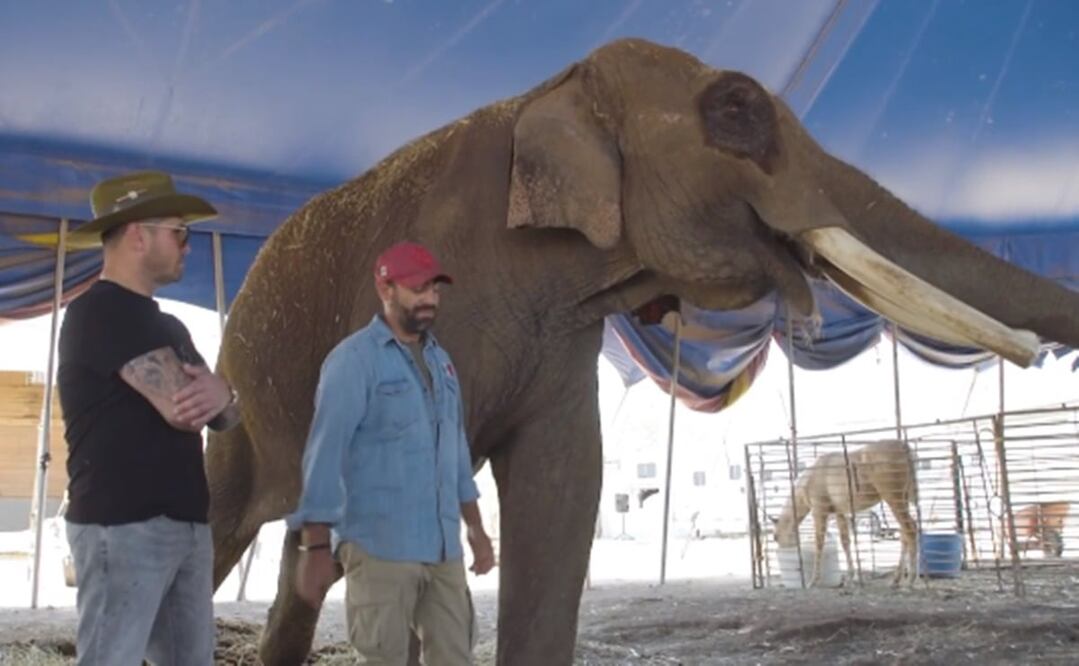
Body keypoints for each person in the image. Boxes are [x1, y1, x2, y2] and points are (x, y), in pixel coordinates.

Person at [57, 170, 242, 665]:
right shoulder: (97, 313)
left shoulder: (170, 324)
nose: (187, 246)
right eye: (179, 233)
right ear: (138, 233)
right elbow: (187, 411)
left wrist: (225, 391)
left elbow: (226, 417)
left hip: (184, 524)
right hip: (121, 528)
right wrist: (219, 392)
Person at [291, 240, 495, 665]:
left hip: (443, 549)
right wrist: (314, 548)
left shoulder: (442, 361)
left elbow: (455, 451)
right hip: (378, 547)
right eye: (419, 289)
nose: (430, 300)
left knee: (456, 657)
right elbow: (324, 454)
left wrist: (475, 529)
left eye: (435, 290)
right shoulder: (353, 362)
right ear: (386, 290)